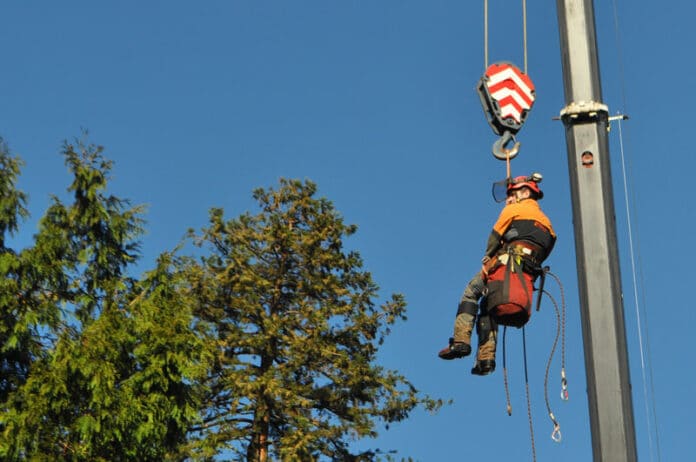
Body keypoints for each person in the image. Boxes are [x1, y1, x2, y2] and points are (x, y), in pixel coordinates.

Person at [438, 173, 556, 375]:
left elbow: (494, 237)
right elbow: (543, 250)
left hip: (506, 264)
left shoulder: (513, 209)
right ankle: (485, 360)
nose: (510, 197)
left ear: (525, 192)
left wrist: (489, 256)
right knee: (488, 305)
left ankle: (460, 341)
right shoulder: (547, 224)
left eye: (514, 193)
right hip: (525, 273)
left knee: (471, 292)